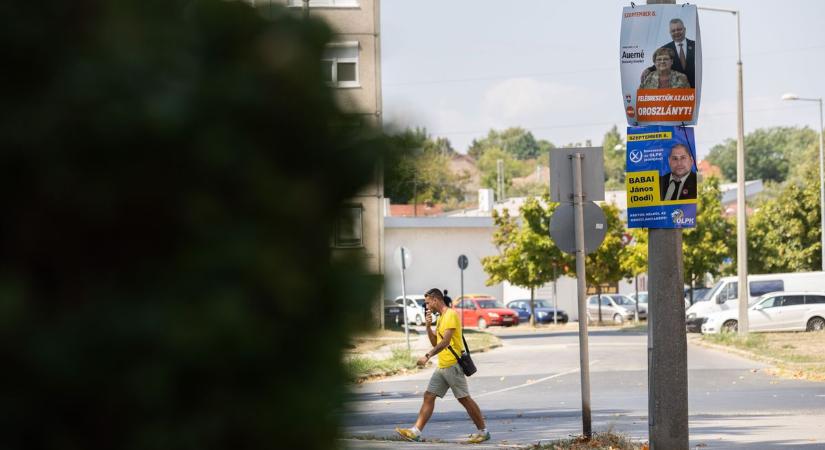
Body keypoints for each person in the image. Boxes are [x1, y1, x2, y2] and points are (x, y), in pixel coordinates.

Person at [395, 288, 490, 444]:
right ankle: (415, 432)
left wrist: (427, 356)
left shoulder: (450, 315)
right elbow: (436, 342)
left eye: (427, 303)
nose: (426, 307)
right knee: (429, 396)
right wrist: (427, 327)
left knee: (464, 399)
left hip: (453, 365)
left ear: (435, 300)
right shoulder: (440, 318)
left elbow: (445, 342)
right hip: (443, 366)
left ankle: (483, 431)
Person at [641, 18, 696, 88]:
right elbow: (661, 63)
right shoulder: (665, 49)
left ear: (684, 29)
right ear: (670, 32)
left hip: (696, 88)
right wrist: (648, 69)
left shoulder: (695, 46)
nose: (676, 32)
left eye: (679, 29)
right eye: (673, 31)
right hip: (677, 90)